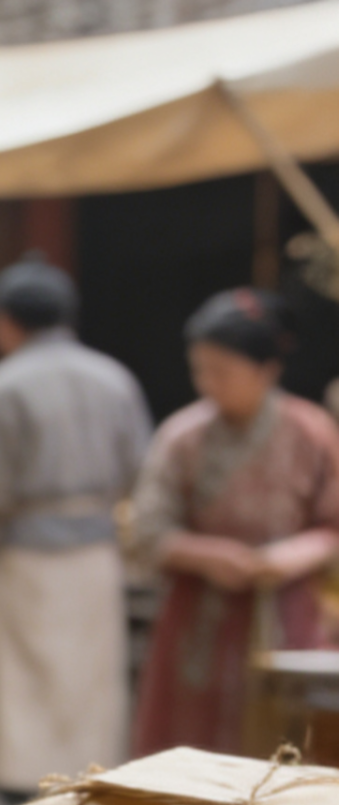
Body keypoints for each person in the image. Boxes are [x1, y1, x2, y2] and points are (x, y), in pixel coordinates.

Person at [0, 257, 149, 800]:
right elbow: (141, 471)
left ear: (4, 321)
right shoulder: (114, 378)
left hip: (25, 553)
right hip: (97, 550)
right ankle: (92, 777)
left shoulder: (1, 387)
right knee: (92, 678)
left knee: (27, 679)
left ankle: (24, 781)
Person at [130, 289, 339, 756]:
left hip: (288, 611)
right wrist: (211, 556)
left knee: (288, 750)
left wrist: (286, 557)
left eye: (222, 372)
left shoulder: (311, 432)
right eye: (200, 370)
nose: (208, 384)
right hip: (198, 614)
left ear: (266, 370)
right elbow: (148, 529)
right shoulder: (182, 436)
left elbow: (333, 524)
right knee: (189, 750)